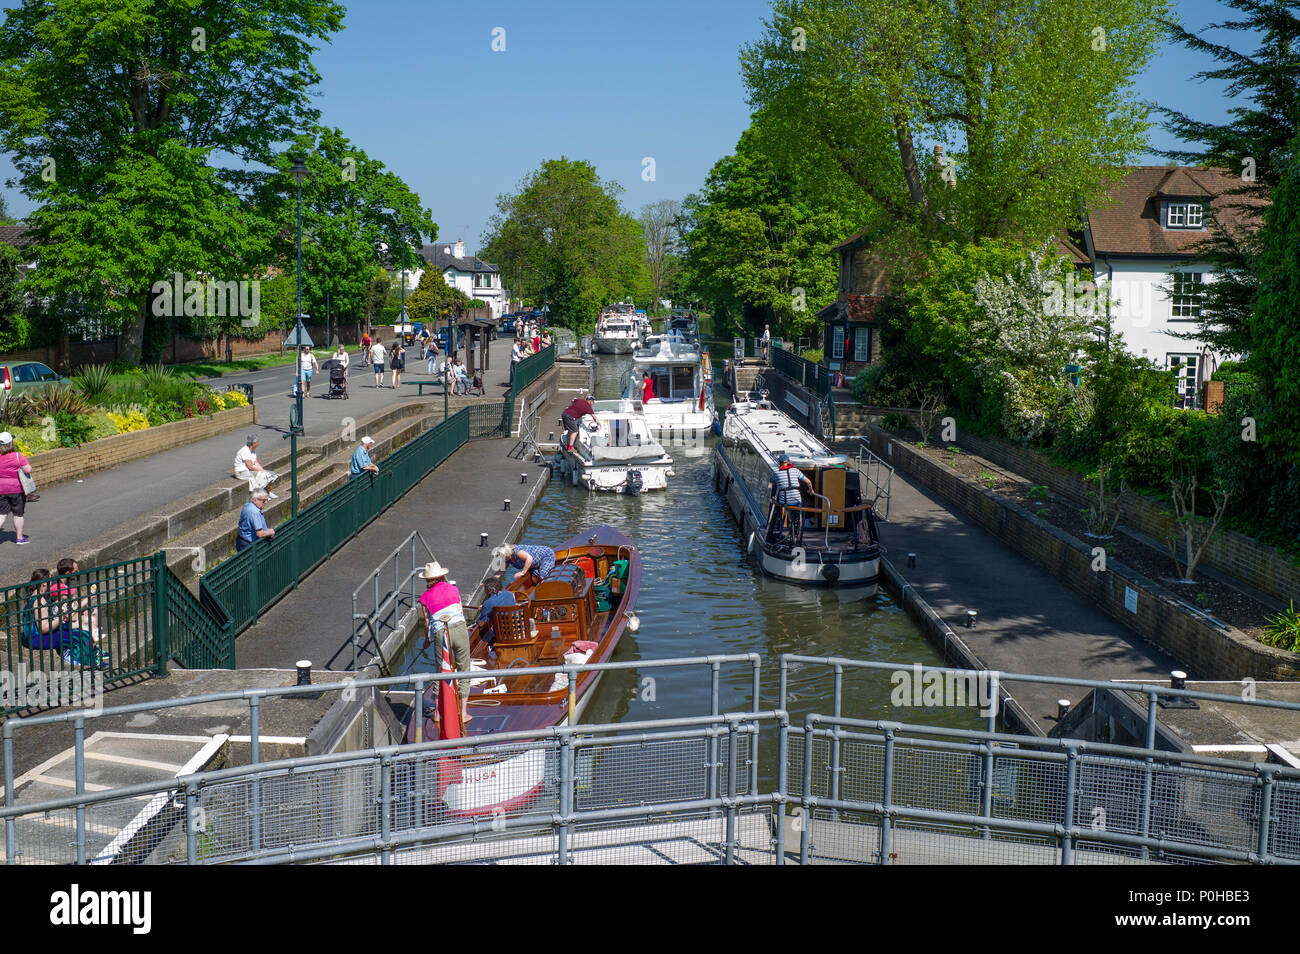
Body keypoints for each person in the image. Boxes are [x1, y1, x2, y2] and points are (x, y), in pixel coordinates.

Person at [418, 560, 472, 725]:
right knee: (464, 669)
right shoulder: (453, 589)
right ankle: (463, 713)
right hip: (459, 628)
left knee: (440, 672)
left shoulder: (425, 598)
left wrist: (427, 641)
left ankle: (437, 713)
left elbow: (427, 623)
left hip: (441, 633)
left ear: (427, 580)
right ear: (442, 576)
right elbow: (460, 611)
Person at [21, 568, 101, 667]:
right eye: (50, 581)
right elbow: (43, 628)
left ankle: (89, 657)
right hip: (37, 638)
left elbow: (69, 609)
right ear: (44, 583)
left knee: (81, 632)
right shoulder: (38, 601)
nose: (52, 583)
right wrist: (60, 618)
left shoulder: (38, 597)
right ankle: (86, 661)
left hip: (39, 635)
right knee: (80, 636)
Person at [770, 452, 814, 543]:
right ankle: (798, 536)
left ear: (780, 463)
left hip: (785, 500)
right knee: (799, 515)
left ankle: (790, 526)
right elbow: (808, 482)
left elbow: (772, 483)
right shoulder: (795, 470)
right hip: (796, 498)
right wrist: (811, 491)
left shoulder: (776, 472)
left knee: (788, 510)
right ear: (789, 462)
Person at [0, 431, 32, 545]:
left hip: (1, 489)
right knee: (18, 514)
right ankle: (19, 538)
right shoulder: (18, 456)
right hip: (16, 489)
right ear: (11, 443)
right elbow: (28, 470)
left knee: (2, 514)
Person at [476, 575, 517, 648]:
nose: (485, 590)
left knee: (487, 635)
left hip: (502, 634)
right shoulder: (509, 594)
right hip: (517, 629)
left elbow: (481, 624)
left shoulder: (487, 603)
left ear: (490, 590)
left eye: (485, 588)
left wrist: (480, 616)